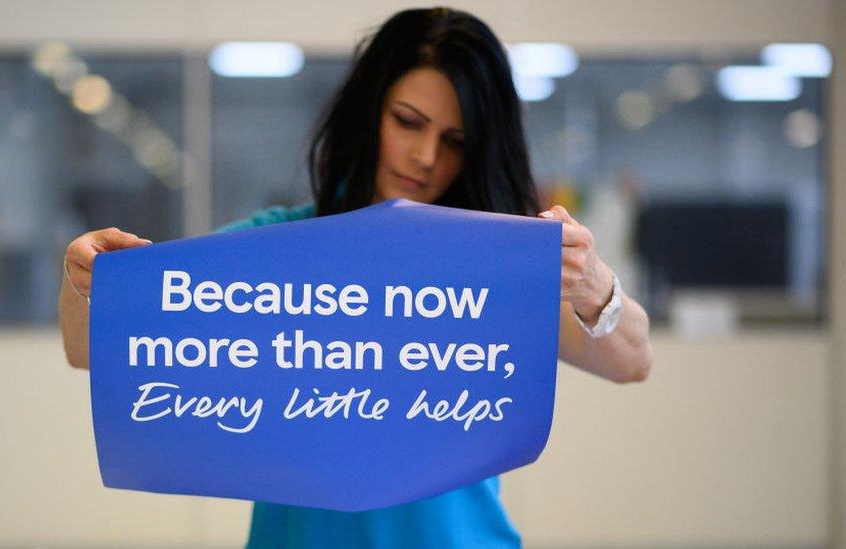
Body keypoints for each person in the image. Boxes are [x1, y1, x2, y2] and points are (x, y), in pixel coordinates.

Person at [59, 7, 653, 548]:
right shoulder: (281, 250)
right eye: (408, 122)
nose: (424, 157)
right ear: (370, 112)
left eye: (454, 141)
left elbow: (632, 361)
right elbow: (92, 350)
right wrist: (87, 281)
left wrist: (592, 283)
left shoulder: (495, 262)